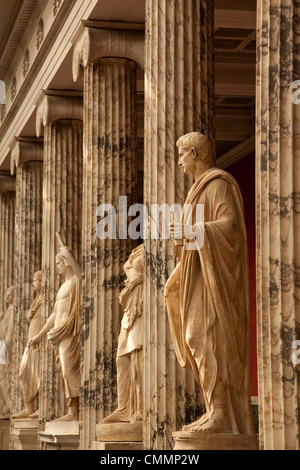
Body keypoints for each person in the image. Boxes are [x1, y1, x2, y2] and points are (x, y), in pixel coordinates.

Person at [165, 131, 255, 435]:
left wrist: (191, 230)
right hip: (197, 273)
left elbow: (229, 226)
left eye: (181, 154)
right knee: (196, 340)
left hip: (215, 282)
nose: (178, 160)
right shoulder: (195, 190)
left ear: (195, 153)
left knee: (205, 340)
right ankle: (213, 409)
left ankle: (221, 413)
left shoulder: (217, 183)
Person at [28, 245, 81, 422]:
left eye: (59, 262)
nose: (57, 266)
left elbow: (83, 277)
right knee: (63, 372)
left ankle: (76, 413)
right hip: (58, 334)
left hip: (69, 332)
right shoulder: (63, 286)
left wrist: (69, 255)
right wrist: (39, 336)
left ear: (66, 262)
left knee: (68, 372)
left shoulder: (74, 282)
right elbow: (53, 314)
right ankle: (72, 411)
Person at [99, 243, 144, 424]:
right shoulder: (137, 250)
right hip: (132, 302)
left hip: (143, 300)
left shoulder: (160, 243)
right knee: (122, 357)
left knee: (138, 355)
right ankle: (124, 407)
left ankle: (140, 409)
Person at [12, 271, 43, 419]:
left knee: (38, 373)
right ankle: (29, 407)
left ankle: (42, 407)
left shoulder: (45, 298)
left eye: (35, 280)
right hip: (32, 340)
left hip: (38, 342)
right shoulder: (38, 298)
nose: (33, 283)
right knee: (24, 372)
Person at [0, 286, 14, 417]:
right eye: (7, 294)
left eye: (9, 294)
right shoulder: (8, 312)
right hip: (2, 346)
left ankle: (9, 403)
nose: (7, 297)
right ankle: (4, 403)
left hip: (5, 347)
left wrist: (8, 348)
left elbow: (9, 332)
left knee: (3, 375)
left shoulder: (13, 311)